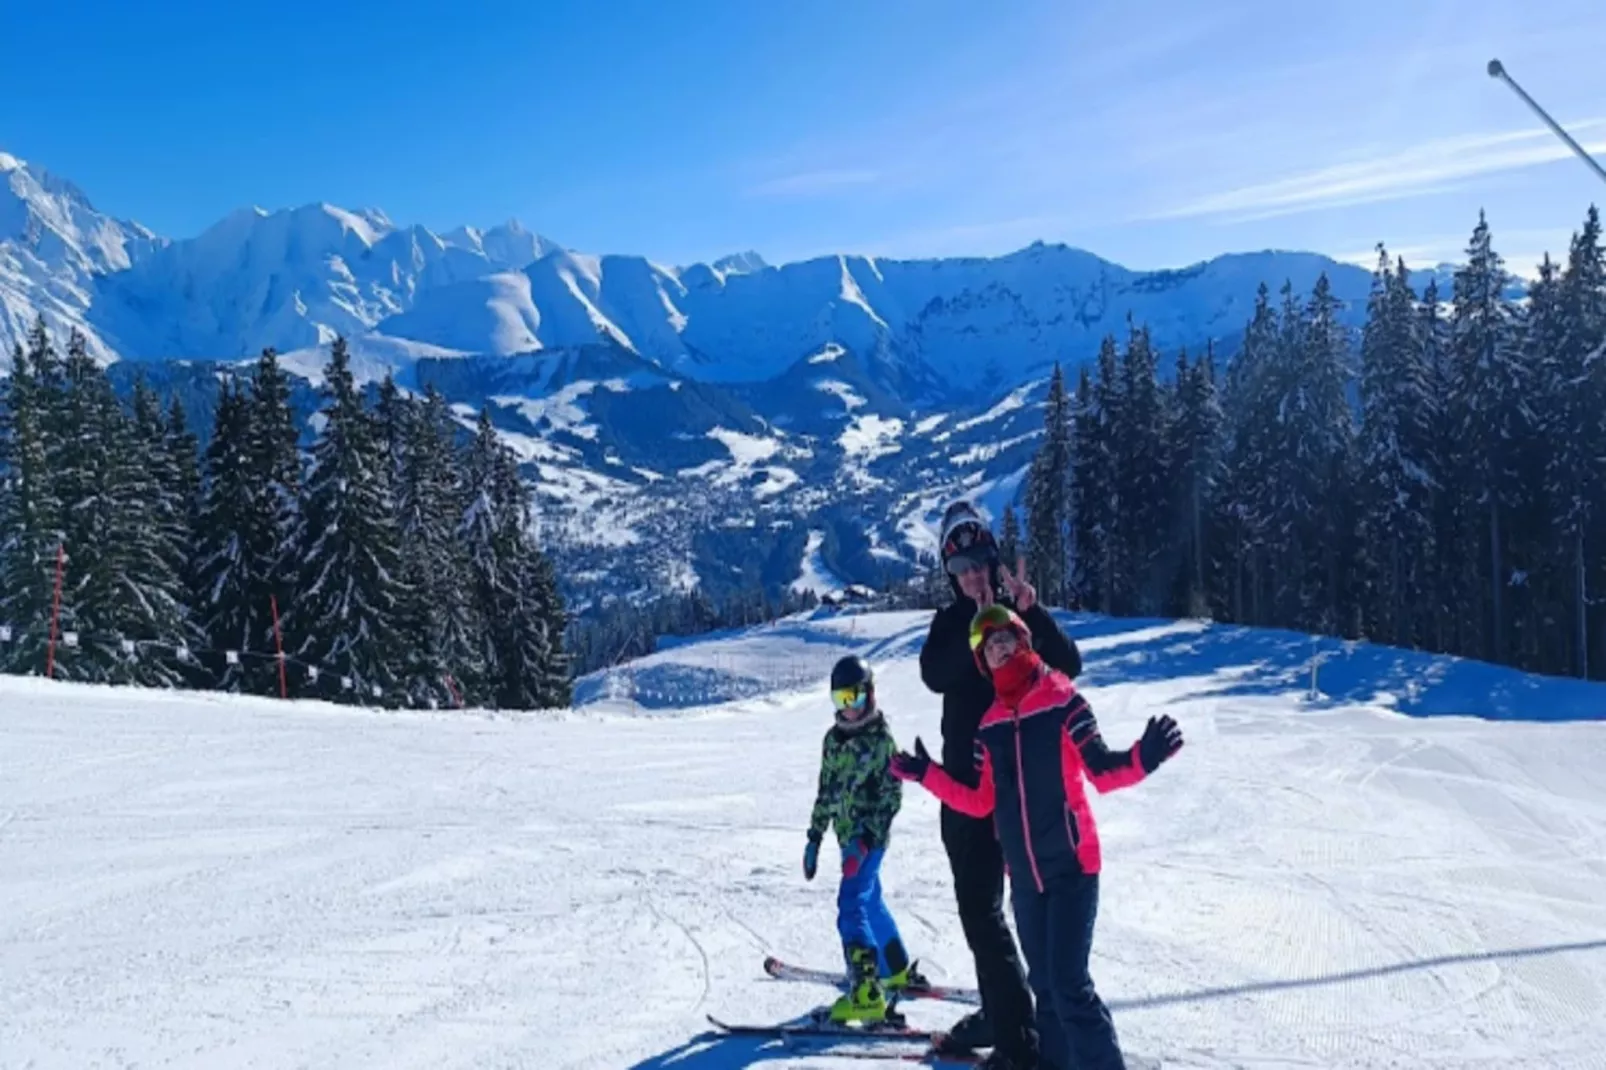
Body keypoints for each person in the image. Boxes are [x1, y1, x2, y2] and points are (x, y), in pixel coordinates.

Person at [891, 605, 1184, 1070]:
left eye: (1005, 638)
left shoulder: (1063, 700)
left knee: (1070, 986)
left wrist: (1143, 757)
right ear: (982, 660)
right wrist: (928, 774)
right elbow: (979, 801)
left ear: (1023, 639)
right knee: (1045, 991)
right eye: (989, 646)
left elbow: (1103, 772)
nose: (999, 648)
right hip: (1026, 880)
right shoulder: (988, 725)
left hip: (1071, 868)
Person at [918, 500, 1083, 1066]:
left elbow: (1068, 665)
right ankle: (1002, 1009)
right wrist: (978, 628)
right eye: (961, 571)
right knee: (979, 911)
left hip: (1018, 794)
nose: (973, 578)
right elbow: (935, 673)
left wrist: (1028, 616)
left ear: (991, 561)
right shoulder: (951, 625)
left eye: (979, 565)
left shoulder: (1017, 619)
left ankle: (1020, 1043)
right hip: (965, 791)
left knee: (1016, 915)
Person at [803, 655, 927, 1023]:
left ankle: (866, 994)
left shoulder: (880, 741)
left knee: (851, 904)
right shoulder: (833, 740)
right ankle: (897, 968)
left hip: (869, 842)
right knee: (870, 900)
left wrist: (865, 839)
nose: (848, 709)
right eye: (841, 700)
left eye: (854, 699)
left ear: (869, 695)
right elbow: (826, 790)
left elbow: (891, 798)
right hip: (846, 839)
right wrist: (814, 836)